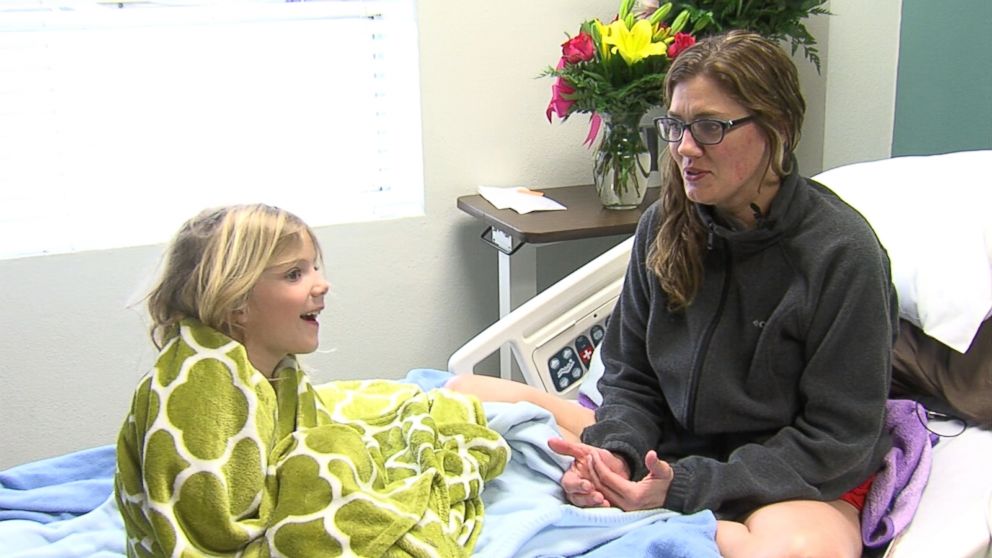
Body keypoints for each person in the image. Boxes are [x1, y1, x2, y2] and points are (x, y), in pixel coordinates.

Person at [447, 30, 898, 558]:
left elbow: (835, 440)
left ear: (777, 128)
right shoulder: (665, 226)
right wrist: (614, 454)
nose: (683, 148)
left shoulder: (841, 254)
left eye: (709, 127)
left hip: (784, 472)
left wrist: (684, 487)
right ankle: (642, 505)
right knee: (464, 391)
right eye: (677, 126)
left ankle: (662, 516)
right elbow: (632, 379)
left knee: (800, 552)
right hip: (670, 447)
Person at [114, 204, 507, 557]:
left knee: (393, 409)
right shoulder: (204, 387)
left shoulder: (272, 368)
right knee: (332, 447)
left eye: (314, 267)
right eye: (294, 274)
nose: (321, 284)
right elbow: (209, 529)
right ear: (236, 303)